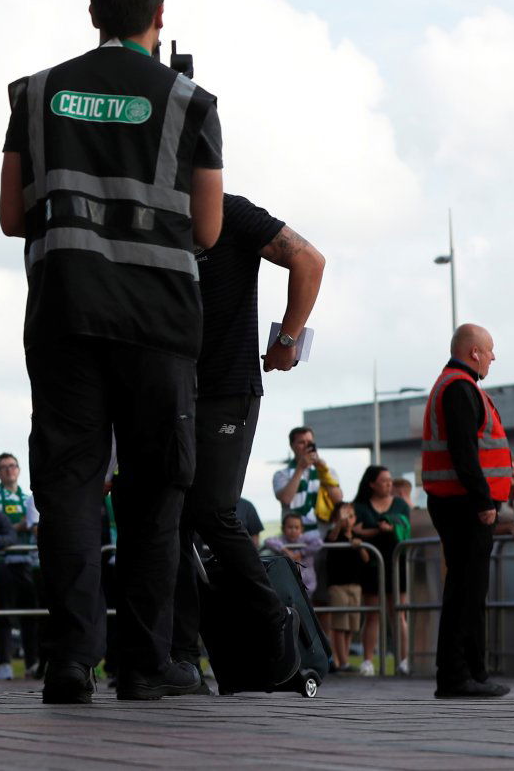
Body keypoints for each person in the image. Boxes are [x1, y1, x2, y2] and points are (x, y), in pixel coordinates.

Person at [0, 0, 223, 704]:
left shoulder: (35, 94)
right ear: (160, 16)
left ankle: (69, 661)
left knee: (70, 487)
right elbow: (211, 228)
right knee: (155, 493)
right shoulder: (191, 102)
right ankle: (144, 665)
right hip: (159, 324)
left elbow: (9, 217)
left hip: (64, 315)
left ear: (92, 12)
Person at [170, 192, 325, 694]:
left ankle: (271, 614)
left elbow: (308, 259)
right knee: (169, 517)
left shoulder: (230, 211)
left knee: (213, 510)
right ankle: (182, 658)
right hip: (168, 388)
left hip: (226, 389)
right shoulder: (148, 212)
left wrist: (287, 340)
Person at [421, 323, 513, 699]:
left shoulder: (458, 385)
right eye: (489, 350)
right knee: (465, 592)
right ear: (474, 352)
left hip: (456, 502)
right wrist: (483, 502)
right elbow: (464, 452)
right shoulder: (459, 387)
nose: (493, 357)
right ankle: (456, 677)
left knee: (469, 591)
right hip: (464, 505)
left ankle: (473, 673)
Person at [352, 464, 411, 677]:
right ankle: (368, 660)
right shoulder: (360, 505)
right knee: (373, 614)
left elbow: (405, 527)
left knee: (399, 613)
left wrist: (386, 527)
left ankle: (403, 659)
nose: (389, 484)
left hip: (397, 563)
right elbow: (354, 530)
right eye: (384, 481)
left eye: (390, 480)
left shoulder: (400, 504)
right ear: (372, 484)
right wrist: (378, 529)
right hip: (372, 565)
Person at [0, 453, 40, 680]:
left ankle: (32, 663)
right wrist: (19, 526)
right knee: (3, 615)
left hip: (27, 562)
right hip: (2, 563)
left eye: (13, 465)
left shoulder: (29, 498)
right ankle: (4, 663)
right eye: (4, 467)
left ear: (19, 469)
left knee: (30, 615)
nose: (9, 470)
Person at [322, 502, 368, 673]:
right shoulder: (333, 534)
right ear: (335, 519)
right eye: (343, 516)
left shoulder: (356, 536)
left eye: (350, 516)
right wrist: (339, 526)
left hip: (355, 586)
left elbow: (366, 558)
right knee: (339, 625)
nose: (347, 520)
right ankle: (341, 661)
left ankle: (345, 660)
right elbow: (331, 539)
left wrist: (359, 544)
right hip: (338, 586)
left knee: (350, 626)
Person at [274, 428, 342, 528]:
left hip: (324, 532)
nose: (307, 446)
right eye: (302, 442)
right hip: (296, 535)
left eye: (310, 442)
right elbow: (286, 499)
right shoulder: (281, 474)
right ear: (292, 446)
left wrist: (323, 471)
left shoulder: (328, 471)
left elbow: (338, 499)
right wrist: (300, 468)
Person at [263, 512, 321, 595]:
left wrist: (301, 553)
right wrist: (285, 549)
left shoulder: (305, 539)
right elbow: (268, 541)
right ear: (283, 528)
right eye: (290, 527)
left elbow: (318, 543)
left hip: (307, 584)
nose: (293, 530)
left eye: (296, 527)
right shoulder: (282, 540)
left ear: (302, 529)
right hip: (287, 584)